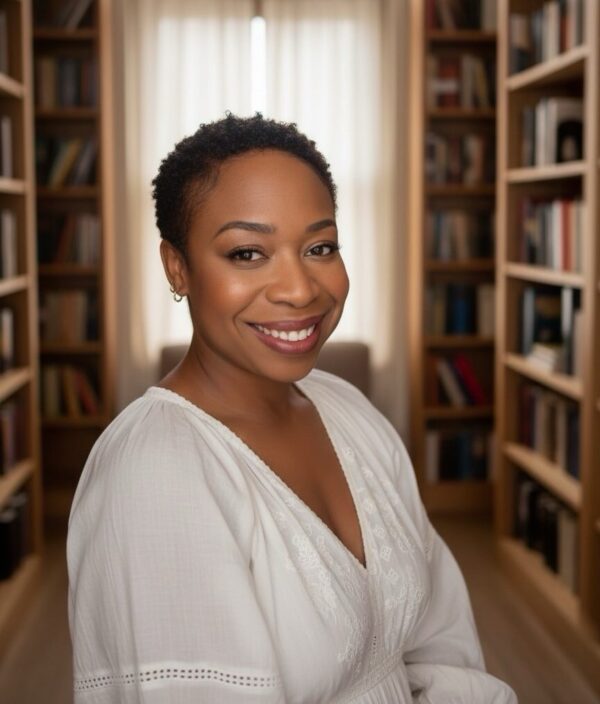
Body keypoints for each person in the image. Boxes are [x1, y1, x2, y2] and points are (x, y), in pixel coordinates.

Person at [67, 114, 517, 703]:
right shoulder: (155, 472)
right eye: (247, 253)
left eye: (319, 247)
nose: (300, 289)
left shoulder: (349, 410)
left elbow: (439, 642)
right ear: (177, 267)